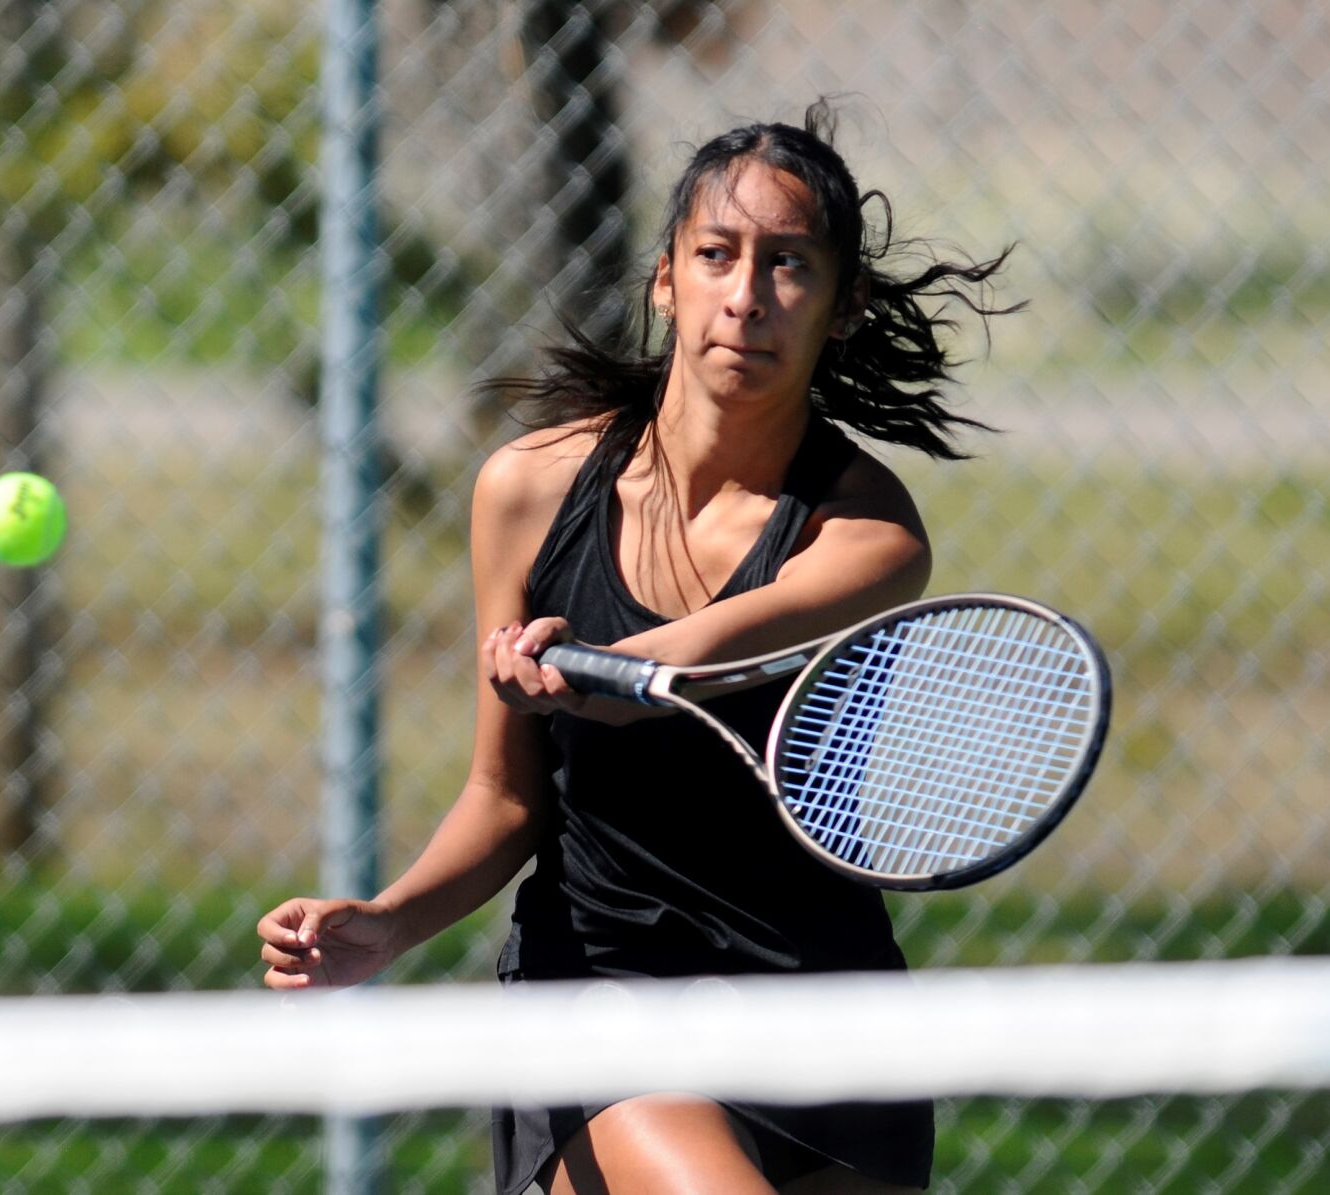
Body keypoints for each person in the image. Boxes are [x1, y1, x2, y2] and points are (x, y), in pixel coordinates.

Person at [257, 100, 1017, 1194]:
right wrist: (385, 923)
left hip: (821, 1004)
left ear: (841, 305)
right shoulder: (526, 490)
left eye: (788, 265)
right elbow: (505, 797)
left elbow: (702, 650)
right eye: (716, 255)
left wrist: (623, 675)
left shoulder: (867, 534)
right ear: (666, 278)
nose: (744, 296)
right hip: (602, 992)